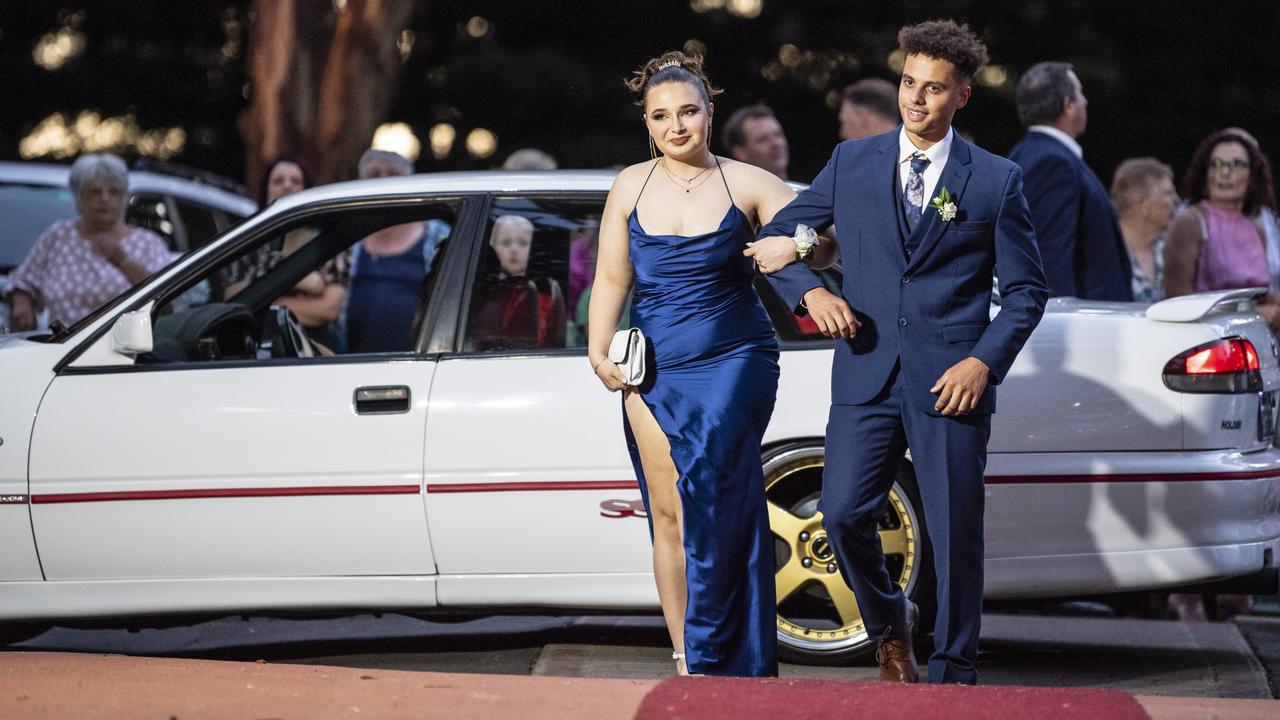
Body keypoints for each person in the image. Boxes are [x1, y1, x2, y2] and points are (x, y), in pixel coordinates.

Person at [747, 20, 1048, 684]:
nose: (916, 99)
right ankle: (892, 623)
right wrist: (810, 294)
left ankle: (953, 672)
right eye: (909, 83)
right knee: (842, 512)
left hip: (951, 379)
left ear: (961, 96)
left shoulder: (995, 181)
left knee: (954, 533)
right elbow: (778, 236)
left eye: (933, 89)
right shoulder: (852, 162)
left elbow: (1027, 292)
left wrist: (981, 362)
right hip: (865, 368)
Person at [588, 51, 800, 677]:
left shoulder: (750, 181)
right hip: (653, 370)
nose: (675, 126)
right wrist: (598, 350)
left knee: (715, 493)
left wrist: (800, 243)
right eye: (661, 116)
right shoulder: (630, 184)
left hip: (736, 359)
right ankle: (687, 655)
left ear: (710, 113)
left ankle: (722, 652)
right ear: (647, 123)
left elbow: (825, 237)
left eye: (687, 111)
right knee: (669, 511)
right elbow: (608, 277)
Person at [5, 153, 171, 331]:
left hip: (127, 353)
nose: (105, 199)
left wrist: (121, 260)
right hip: (64, 350)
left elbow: (168, 300)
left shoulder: (147, 243)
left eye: (113, 192)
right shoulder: (59, 236)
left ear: (123, 199)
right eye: (95, 192)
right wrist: (21, 304)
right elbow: (21, 282)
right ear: (79, 199)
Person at [1008, 62, 1130, 300]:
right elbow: (1049, 259)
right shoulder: (1053, 163)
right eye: (1081, 93)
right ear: (1068, 105)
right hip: (1082, 327)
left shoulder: (1028, 154)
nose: (1085, 101)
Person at [224, 155, 347, 348]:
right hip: (256, 349)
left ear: (307, 191)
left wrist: (267, 302)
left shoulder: (328, 242)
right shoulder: (245, 244)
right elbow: (238, 305)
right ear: (265, 190)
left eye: (296, 181)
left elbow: (329, 309)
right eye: (278, 180)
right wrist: (300, 281)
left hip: (318, 349)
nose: (287, 186)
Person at [1163, 129, 1280, 331]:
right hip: (1209, 342)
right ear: (1205, 172)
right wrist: (1257, 314)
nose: (1225, 172)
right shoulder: (1190, 221)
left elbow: (1260, 295)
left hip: (1256, 341)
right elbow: (1177, 301)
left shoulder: (1255, 227)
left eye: (1236, 164)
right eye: (1217, 164)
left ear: (1253, 176)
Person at [339, 149, 449, 353]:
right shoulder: (344, 239)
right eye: (374, 175)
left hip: (417, 369)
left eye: (392, 175)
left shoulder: (437, 235)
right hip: (348, 366)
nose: (383, 181)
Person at [470, 214, 565, 350]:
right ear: (492, 246)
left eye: (522, 243)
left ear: (532, 247)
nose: (514, 249)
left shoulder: (546, 293)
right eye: (506, 242)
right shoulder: (479, 290)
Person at [1110, 158, 1178, 302]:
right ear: (1142, 204)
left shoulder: (1171, 247)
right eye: (1168, 193)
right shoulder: (1107, 249)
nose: (1176, 200)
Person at [721, 103, 790, 180]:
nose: (775, 144)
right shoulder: (729, 191)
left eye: (778, 135)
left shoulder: (802, 189)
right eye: (763, 139)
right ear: (740, 152)